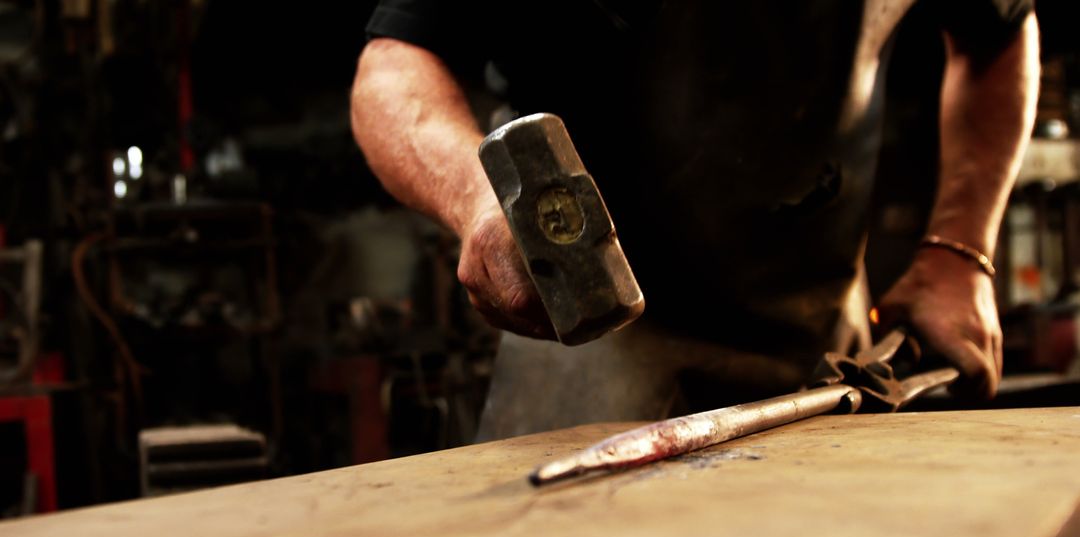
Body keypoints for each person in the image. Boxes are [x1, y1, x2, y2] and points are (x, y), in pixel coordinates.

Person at [350, 1, 1040, 441]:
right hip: (589, 339)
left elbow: (1001, 33)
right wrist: (476, 202)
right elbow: (393, 66)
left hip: (824, 336)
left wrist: (961, 255)